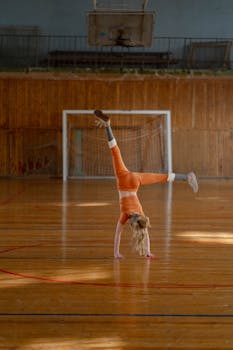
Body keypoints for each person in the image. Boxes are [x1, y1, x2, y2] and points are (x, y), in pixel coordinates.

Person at [94, 110, 198, 259]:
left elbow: (145, 231)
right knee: (115, 152)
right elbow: (118, 234)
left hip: (134, 181)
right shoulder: (125, 216)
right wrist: (115, 253)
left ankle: (108, 126)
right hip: (126, 180)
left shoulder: (141, 216)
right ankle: (107, 127)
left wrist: (147, 250)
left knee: (159, 177)